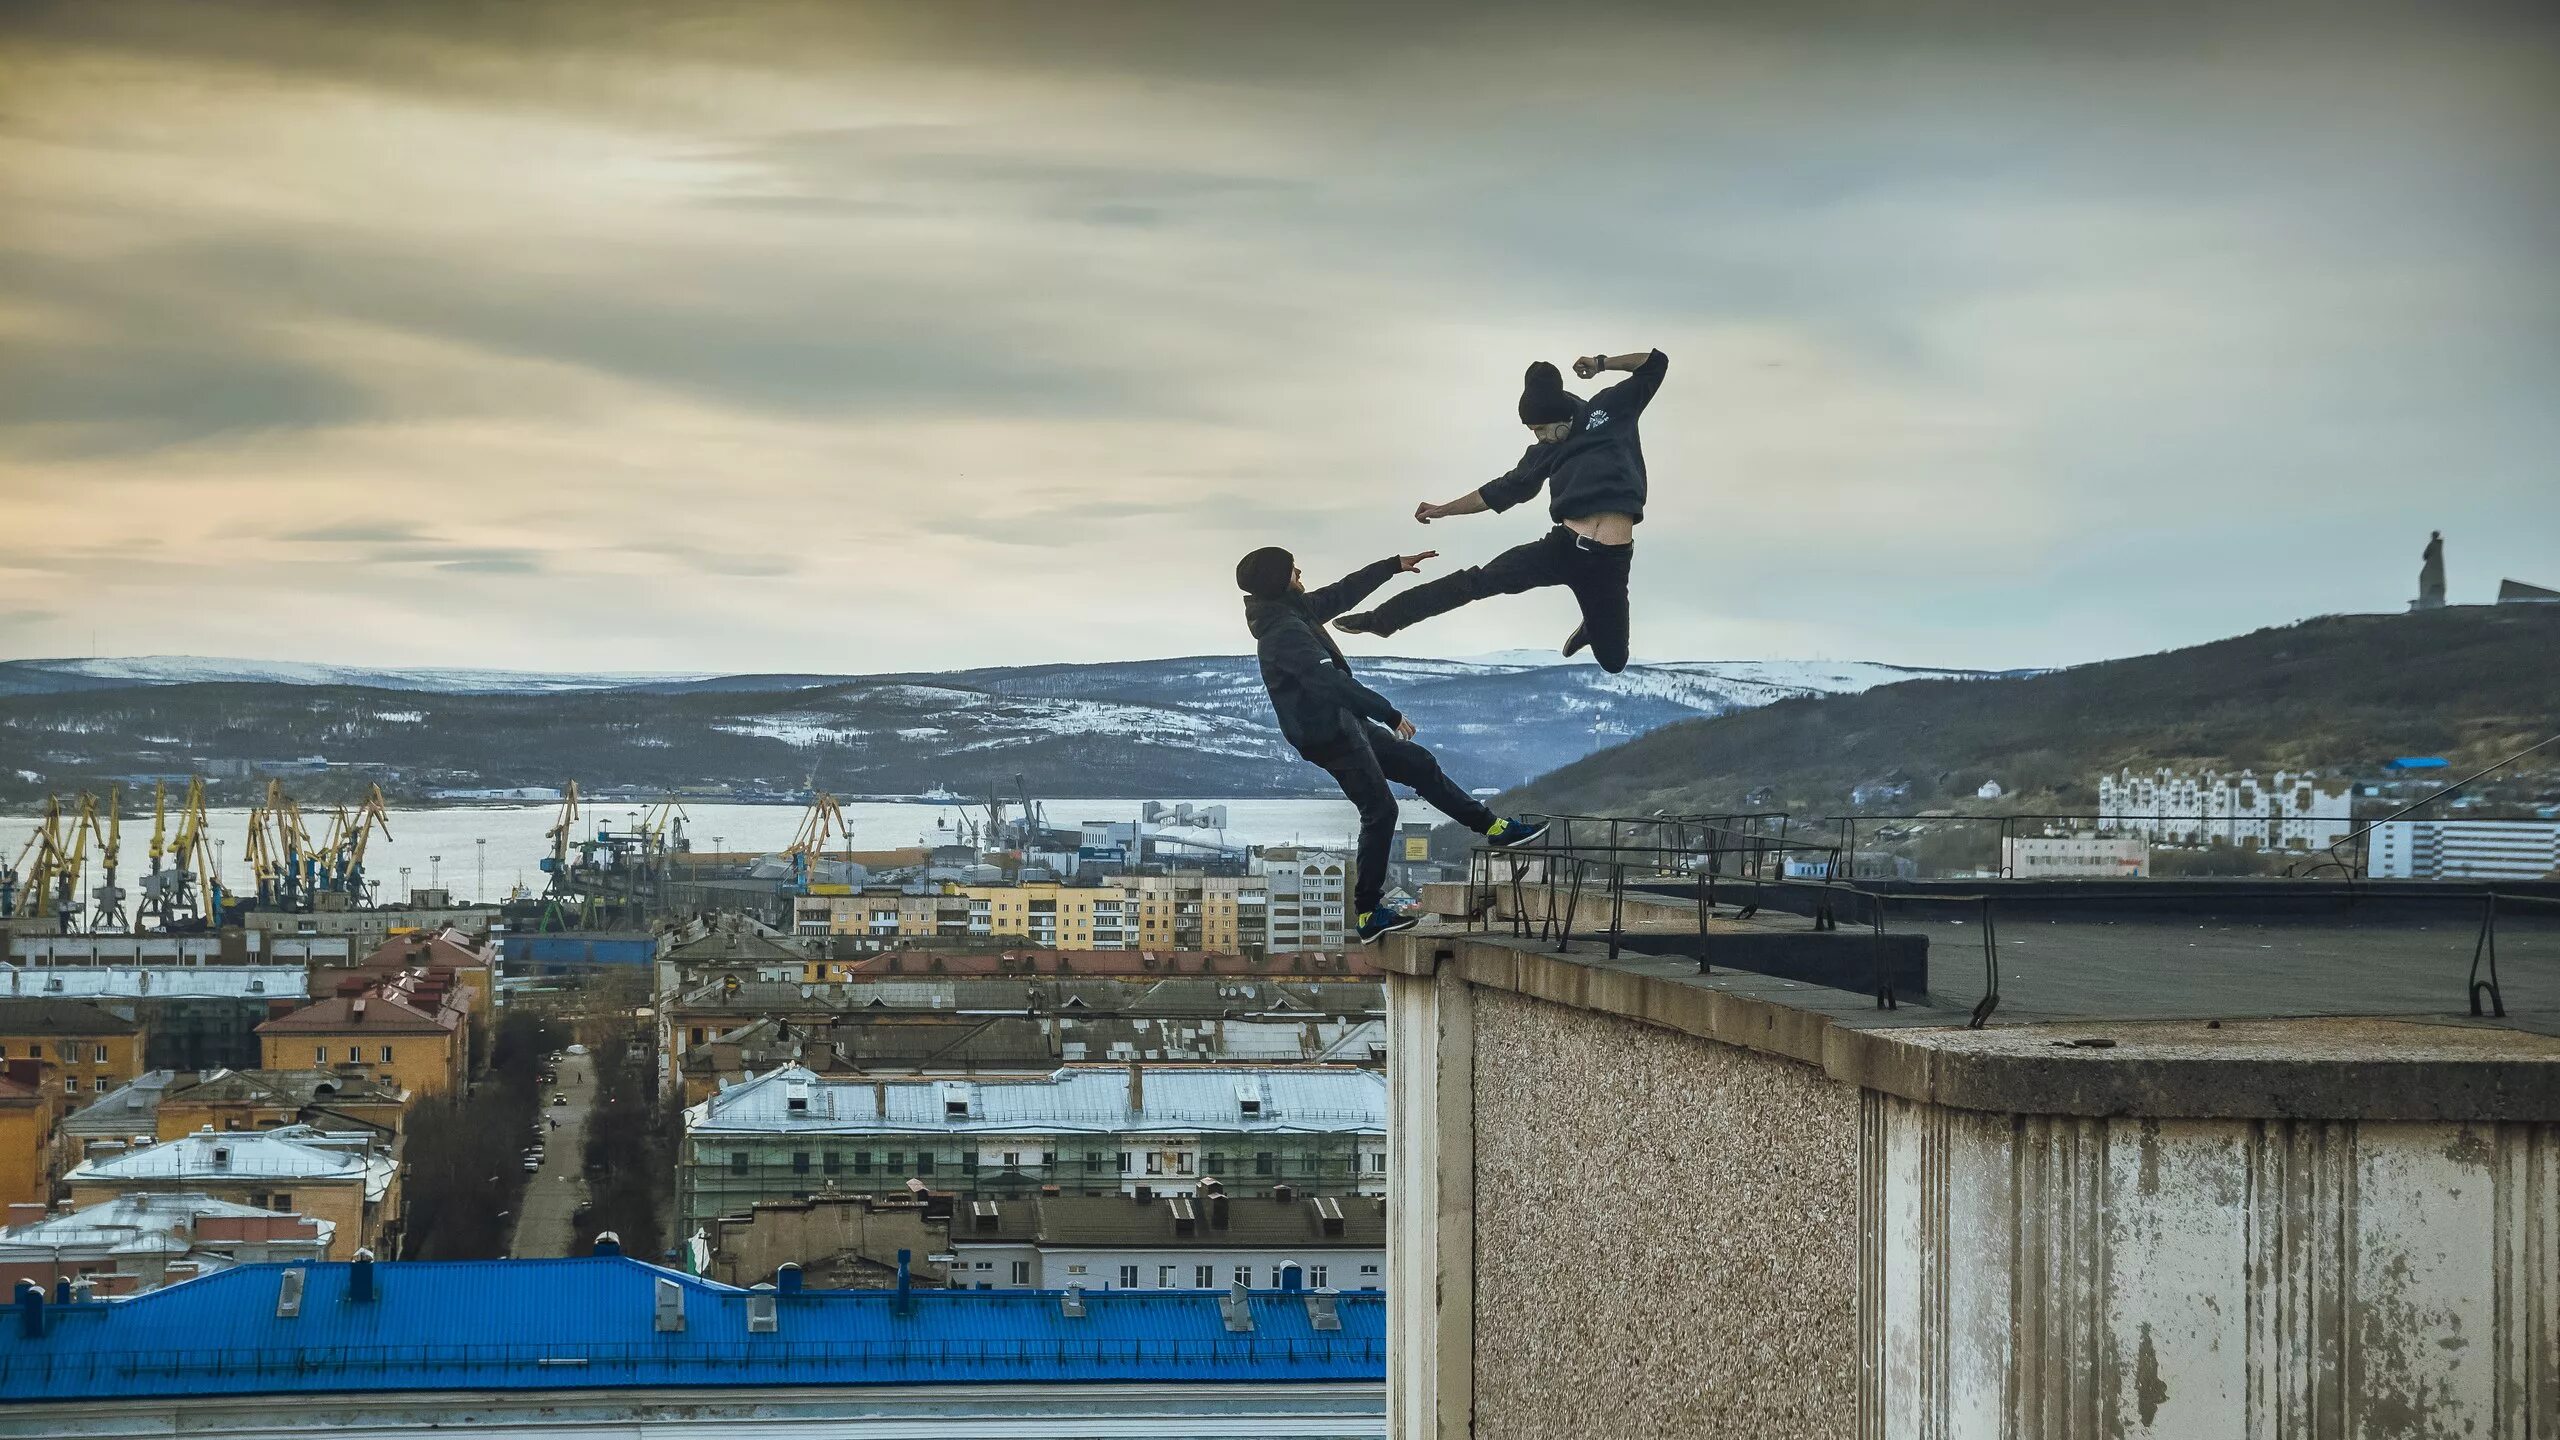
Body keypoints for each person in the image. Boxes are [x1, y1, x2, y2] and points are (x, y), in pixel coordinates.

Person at [1237, 545, 1549, 943]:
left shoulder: (1295, 609)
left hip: (1345, 722)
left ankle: (1494, 827)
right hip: (1327, 736)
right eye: (1293, 570)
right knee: (1380, 810)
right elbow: (1331, 682)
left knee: (1418, 764)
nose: (1301, 571)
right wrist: (1388, 712)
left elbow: (1343, 592)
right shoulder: (1283, 634)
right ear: (1278, 581)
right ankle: (1368, 912)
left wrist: (1391, 567)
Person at [1333, 349, 1668, 672]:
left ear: (1558, 416)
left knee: (1613, 662)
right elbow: (1495, 492)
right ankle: (1381, 620)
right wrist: (1443, 509)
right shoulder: (1543, 453)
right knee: (1476, 582)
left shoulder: (1608, 410)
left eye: (1540, 429)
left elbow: (1655, 364)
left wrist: (1602, 363)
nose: (1538, 437)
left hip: (1610, 562)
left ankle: (1594, 624)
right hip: (1562, 548)